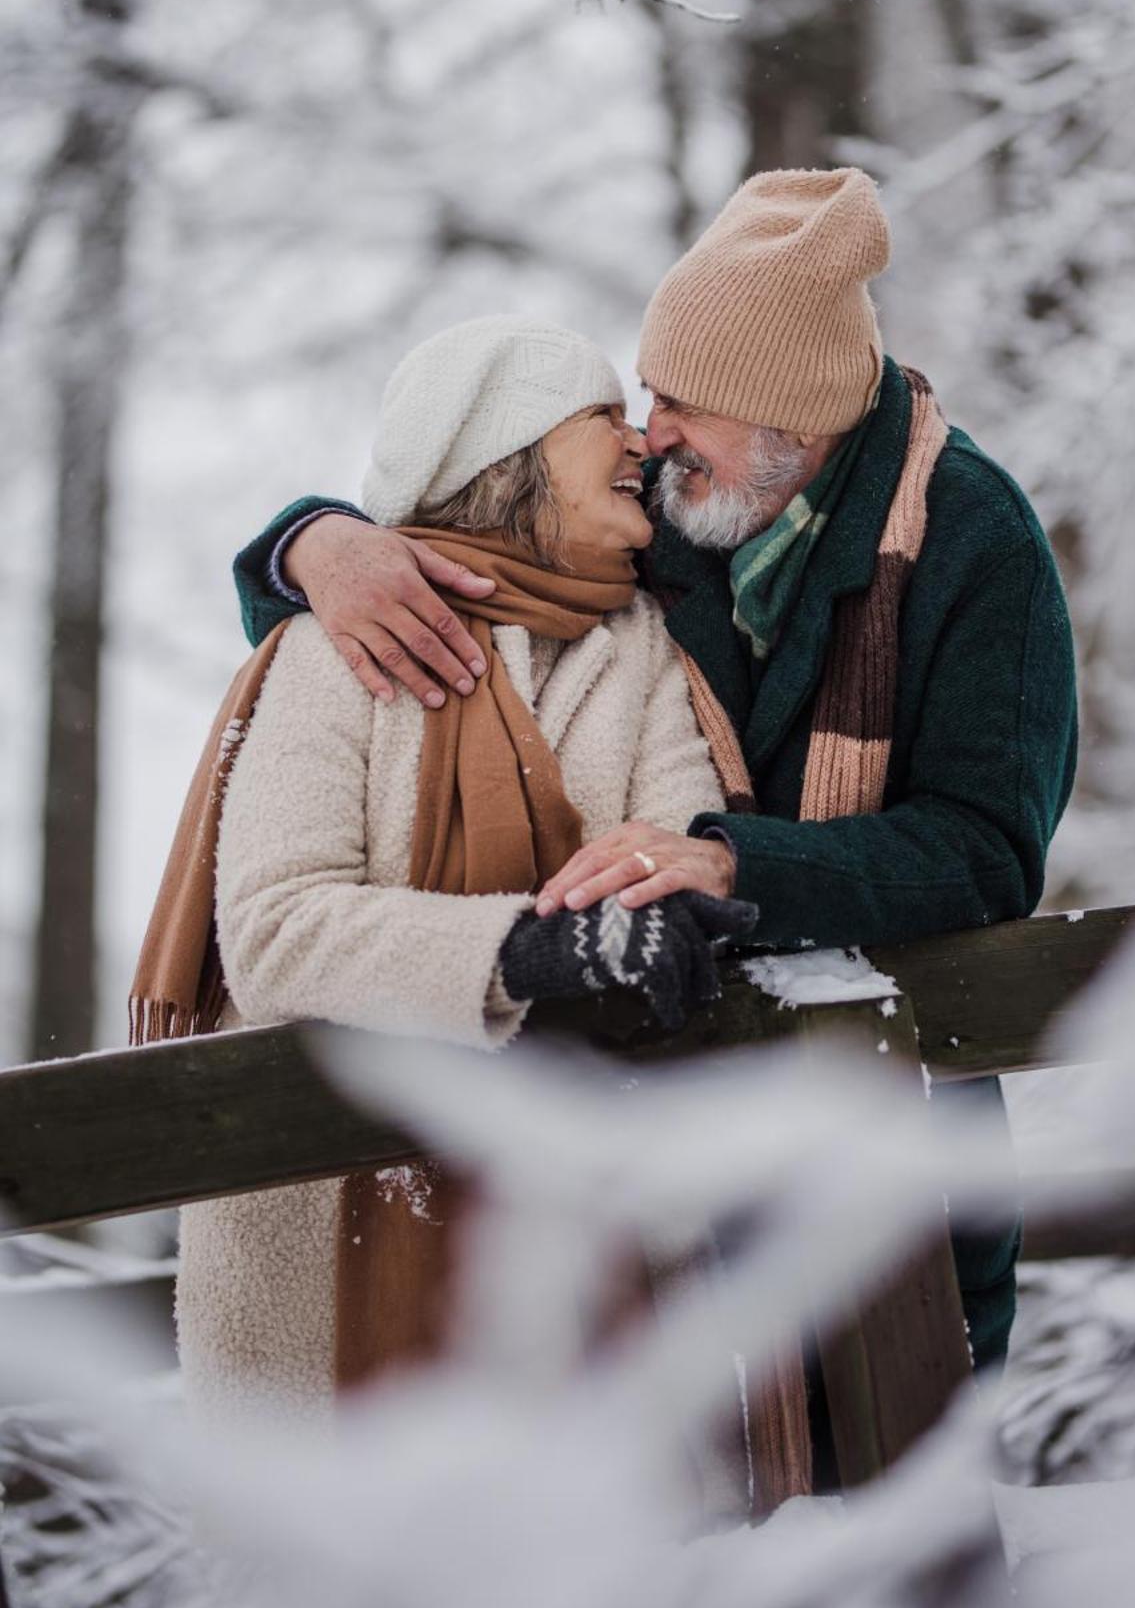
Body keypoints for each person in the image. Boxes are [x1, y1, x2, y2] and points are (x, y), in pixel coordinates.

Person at [231, 167, 1080, 1372]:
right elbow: (476, 543)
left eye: (681, 397)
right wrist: (310, 543)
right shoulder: (688, 504)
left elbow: (987, 854)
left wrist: (740, 858)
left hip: (891, 1128)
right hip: (667, 1144)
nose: (648, 428)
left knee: (902, 1492)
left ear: (787, 412)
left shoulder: (975, 548)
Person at [131, 317, 753, 1421]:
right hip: (326, 1245)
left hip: (581, 1228)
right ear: (504, 450)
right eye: (603, 415)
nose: (638, 444)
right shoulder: (337, 645)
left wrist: (644, 897)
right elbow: (276, 928)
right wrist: (530, 946)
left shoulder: (646, 648)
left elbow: (668, 844)